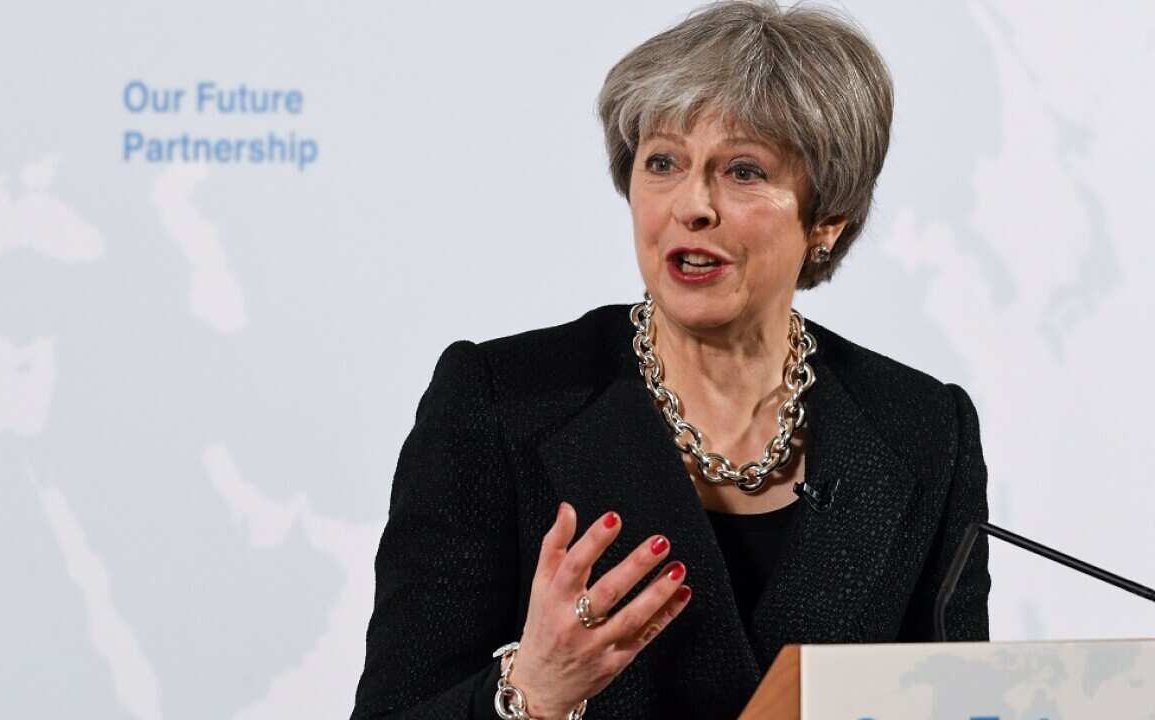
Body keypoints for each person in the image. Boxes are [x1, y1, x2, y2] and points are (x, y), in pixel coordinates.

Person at [350, 1, 991, 717]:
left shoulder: (923, 429)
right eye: (663, 163)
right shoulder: (500, 404)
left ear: (827, 220)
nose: (692, 205)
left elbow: (958, 705)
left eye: (743, 171)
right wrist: (532, 692)